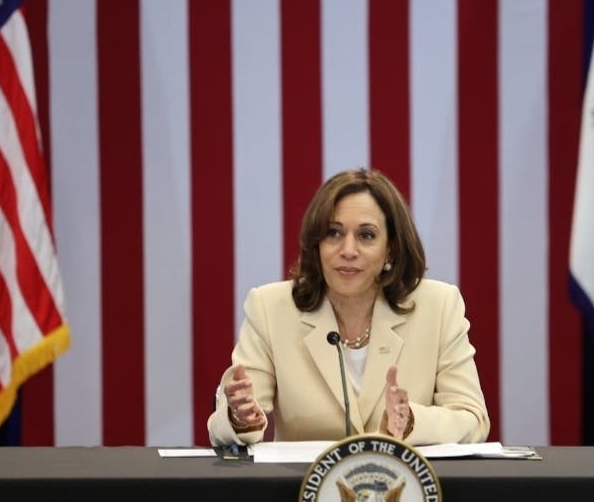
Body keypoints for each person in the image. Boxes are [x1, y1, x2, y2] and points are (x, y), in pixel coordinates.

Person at [207, 167, 490, 447]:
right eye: (334, 233)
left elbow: (472, 419)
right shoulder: (270, 308)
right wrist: (239, 418)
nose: (348, 250)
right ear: (317, 244)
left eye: (366, 235)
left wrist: (412, 422)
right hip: (304, 478)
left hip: (402, 476)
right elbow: (233, 417)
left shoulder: (438, 306)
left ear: (390, 248)